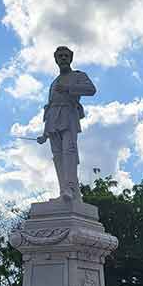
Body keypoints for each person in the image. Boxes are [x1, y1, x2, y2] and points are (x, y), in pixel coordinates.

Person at [36, 46, 96, 201]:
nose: (63, 58)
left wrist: (69, 88)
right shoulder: (53, 83)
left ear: (71, 58)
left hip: (69, 115)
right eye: (60, 56)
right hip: (52, 120)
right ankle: (64, 190)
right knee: (57, 156)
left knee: (69, 152)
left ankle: (69, 188)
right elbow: (49, 106)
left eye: (66, 56)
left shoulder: (78, 76)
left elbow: (91, 90)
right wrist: (44, 134)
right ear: (55, 60)